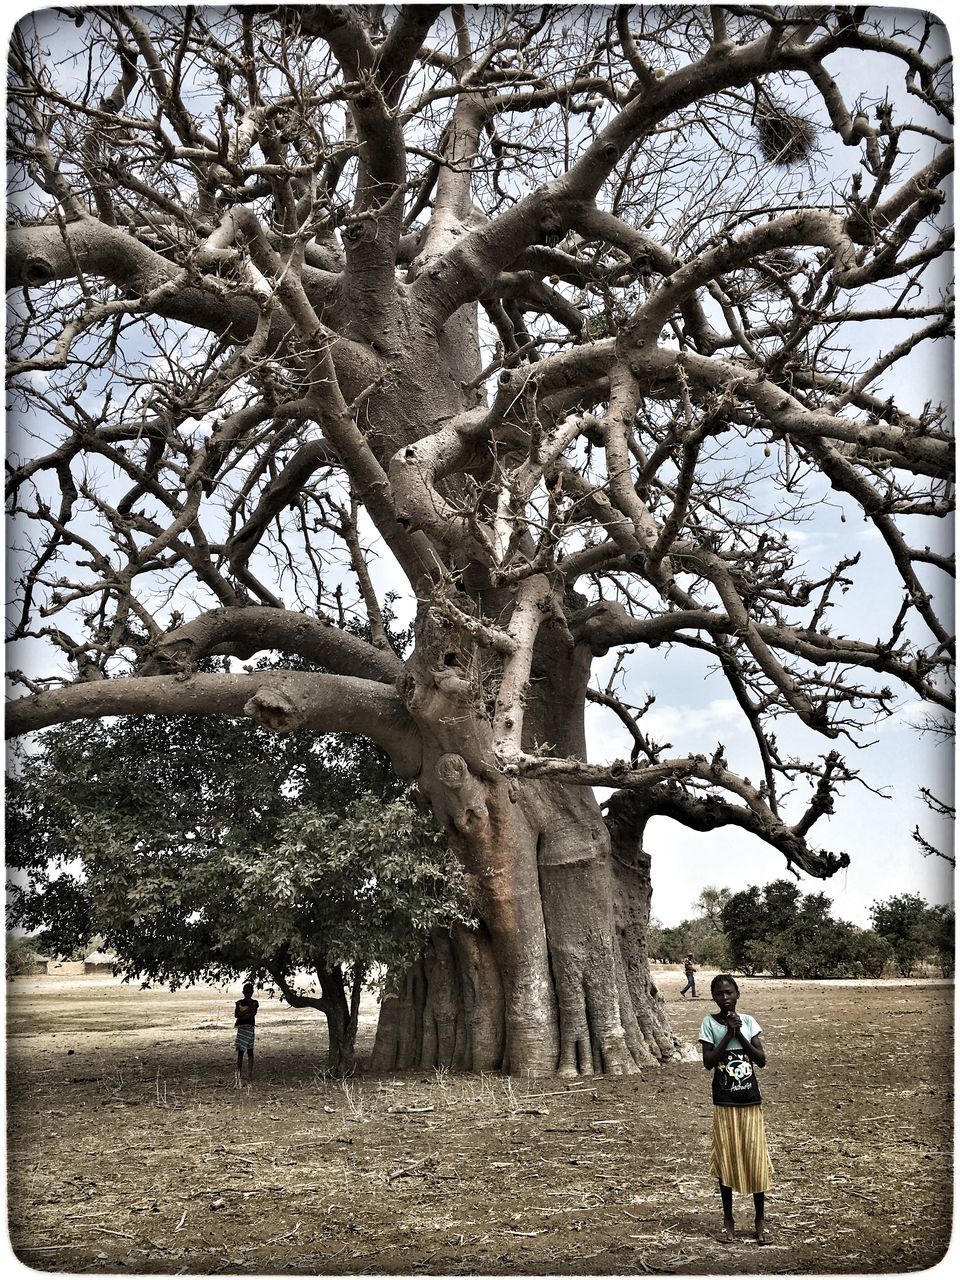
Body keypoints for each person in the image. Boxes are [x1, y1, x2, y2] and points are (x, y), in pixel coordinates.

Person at [699, 974, 772, 1245]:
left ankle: (759, 1220)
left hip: (750, 1101)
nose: (725, 997)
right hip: (724, 1102)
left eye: (729, 992)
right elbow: (708, 1062)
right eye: (719, 994)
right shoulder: (709, 1023)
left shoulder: (749, 1022)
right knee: (727, 1160)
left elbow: (761, 1060)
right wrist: (727, 1033)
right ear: (714, 997)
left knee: (755, 1160)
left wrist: (739, 1032)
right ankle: (728, 1220)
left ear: (738, 994)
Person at [234, 981, 259, 1080]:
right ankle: (247, 1073)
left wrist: (243, 1011)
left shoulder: (241, 1003)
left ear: (242, 992)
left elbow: (250, 1013)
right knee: (248, 1052)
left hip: (244, 1029)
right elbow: (238, 1014)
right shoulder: (253, 1003)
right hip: (247, 1028)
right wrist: (248, 1010)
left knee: (243, 1052)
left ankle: (242, 1073)